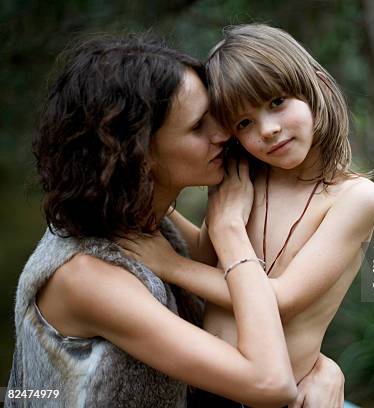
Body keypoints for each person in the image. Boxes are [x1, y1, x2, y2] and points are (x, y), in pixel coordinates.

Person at [6, 33, 343, 408]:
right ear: (138, 153)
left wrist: (320, 365)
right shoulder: (87, 275)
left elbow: (226, 308)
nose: (224, 133)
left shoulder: (145, 220)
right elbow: (270, 382)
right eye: (199, 126)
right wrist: (229, 229)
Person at [120, 24, 374, 407]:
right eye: (244, 123)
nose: (269, 130)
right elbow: (211, 254)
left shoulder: (354, 198)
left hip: (273, 394)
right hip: (210, 387)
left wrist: (169, 265)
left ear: (319, 88)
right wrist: (158, 208)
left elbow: (279, 298)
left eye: (277, 102)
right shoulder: (244, 178)